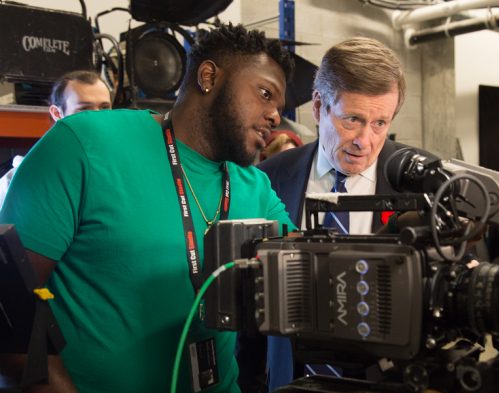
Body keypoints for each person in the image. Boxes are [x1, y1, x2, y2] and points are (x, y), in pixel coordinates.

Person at [0, 23, 294, 393]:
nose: (274, 116)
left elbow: (312, 265)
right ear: (208, 77)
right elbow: (8, 304)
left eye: (279, 107)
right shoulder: (85, 145)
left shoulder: (256, 187)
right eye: (265, 94)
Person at [256, 36, 437, 392]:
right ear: (319, 107)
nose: (365, 141)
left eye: (380, 123)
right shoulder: (268, 179)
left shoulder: (425, 182)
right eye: (352, 119)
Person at [0, 70, 112, 207]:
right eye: (84, 109)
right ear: (57, 113)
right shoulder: (19, 181)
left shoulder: (121, 171)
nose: (97, 117)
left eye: (104, 107)